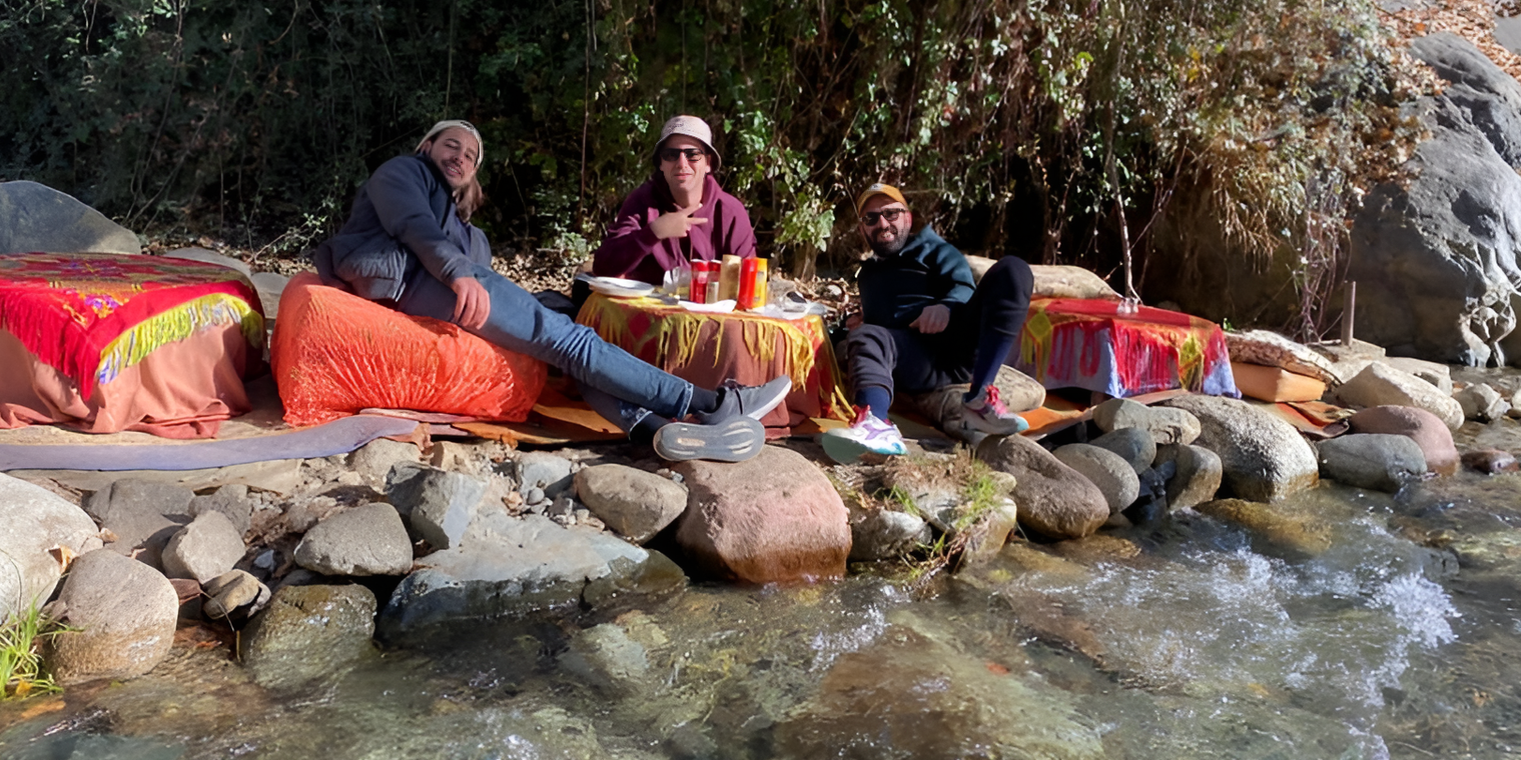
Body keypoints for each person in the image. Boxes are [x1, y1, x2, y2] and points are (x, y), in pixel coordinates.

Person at [314, 119, 791, 461]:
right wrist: (457, 273)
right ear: (426, 145)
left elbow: (484, 277)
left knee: (561, 335)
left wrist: (489, 282)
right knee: (572, 341)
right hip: (410, 279)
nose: (460, 156)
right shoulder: (404, 173)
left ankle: (650, 430)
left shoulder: (464, 228)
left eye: (471, 155)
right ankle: (712, 404)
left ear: (709, 162)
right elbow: (416, 228)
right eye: (451, 145)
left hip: (428, 284)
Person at [822, 182, 1034, 464]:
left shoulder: (934, 250)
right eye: (871, 219)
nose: (882, 223)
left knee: (1014, 270)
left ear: (907, 218)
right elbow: (880, 322)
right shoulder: (868, 274)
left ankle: (980, 399)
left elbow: (964, 287)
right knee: (867, 335)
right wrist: (844, 328)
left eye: (891, 214)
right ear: (862, 229)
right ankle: (875, 425)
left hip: (957, 347)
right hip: (913, 359)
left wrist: (946, 307)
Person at [592, 115, 756, 284]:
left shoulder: (731, 211)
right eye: (671, 155)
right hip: (647, 308)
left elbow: (747, 282)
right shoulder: (643, 202)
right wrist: (653, 232)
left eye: (692, 154)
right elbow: (603, 268)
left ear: (708, 163)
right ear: (661, 163)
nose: (682, 163)